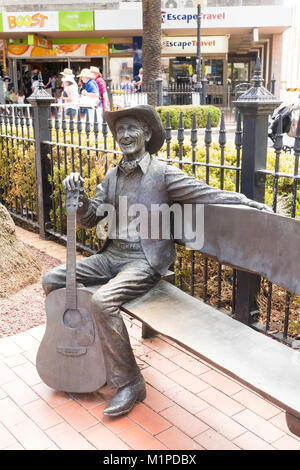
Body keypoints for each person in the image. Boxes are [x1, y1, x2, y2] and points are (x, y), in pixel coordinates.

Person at [42, 105, 271, 417]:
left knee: (102, 300)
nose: (123, 135)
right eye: (119, 130)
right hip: (111, 257)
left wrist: (244, 201)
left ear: (146, 134)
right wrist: (79, 198)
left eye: (130, 128)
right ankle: (85, 349)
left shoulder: (162, 174)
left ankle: (131, 382)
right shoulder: (112, 176)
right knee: (52, 279)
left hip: (145, 260)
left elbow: (204, 193)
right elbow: (90, 218)